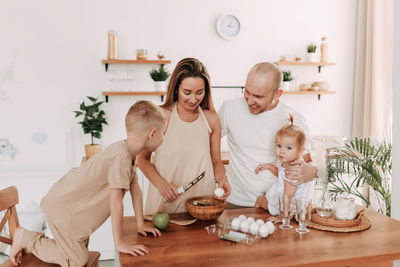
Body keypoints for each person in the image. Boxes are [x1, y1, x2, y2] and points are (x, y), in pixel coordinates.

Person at [9, 101, 165, 266]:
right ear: (153, 133)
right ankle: (25, 238)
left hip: (75, 214)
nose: (164, 137)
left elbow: (136, 189)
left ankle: (31, 240)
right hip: (63, 210)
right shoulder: (121, 157)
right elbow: (116, 202)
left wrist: (140, 224)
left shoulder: (127, 153)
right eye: (164, 133)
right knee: (78, 260)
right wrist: (119, 243)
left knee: (78, 253)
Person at [218, 62, 317, 209]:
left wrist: (313, 171)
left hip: (275, 206)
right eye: (247, 92)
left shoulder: (294, 119)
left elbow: (307, 163)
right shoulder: (230, 108)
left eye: (258, 96)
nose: (250, 100)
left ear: (277, 94)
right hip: (234, 201)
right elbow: (204, 142)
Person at [138, 57, 231, 214]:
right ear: (176, 89)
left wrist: (222, 179)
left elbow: (216, 161)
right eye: (187, 92)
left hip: (202, 206)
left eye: (199, 93)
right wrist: (162, 185)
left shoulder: (211, 119)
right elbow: (142, 159)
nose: (193, 99)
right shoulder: (160, 116)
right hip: (164, 204)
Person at [255, 114, 312, 215]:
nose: (281, 151)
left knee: (260, 200)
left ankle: (258, 216)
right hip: (289, 205)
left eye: (288, 148)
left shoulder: (294, 170)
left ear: (301, 150)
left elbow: (288, 196)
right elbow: (282, 175)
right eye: (279, 146)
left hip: (284, 207)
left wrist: (283, 217)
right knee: (264, 197)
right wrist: (269, 167)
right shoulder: (288, 162)